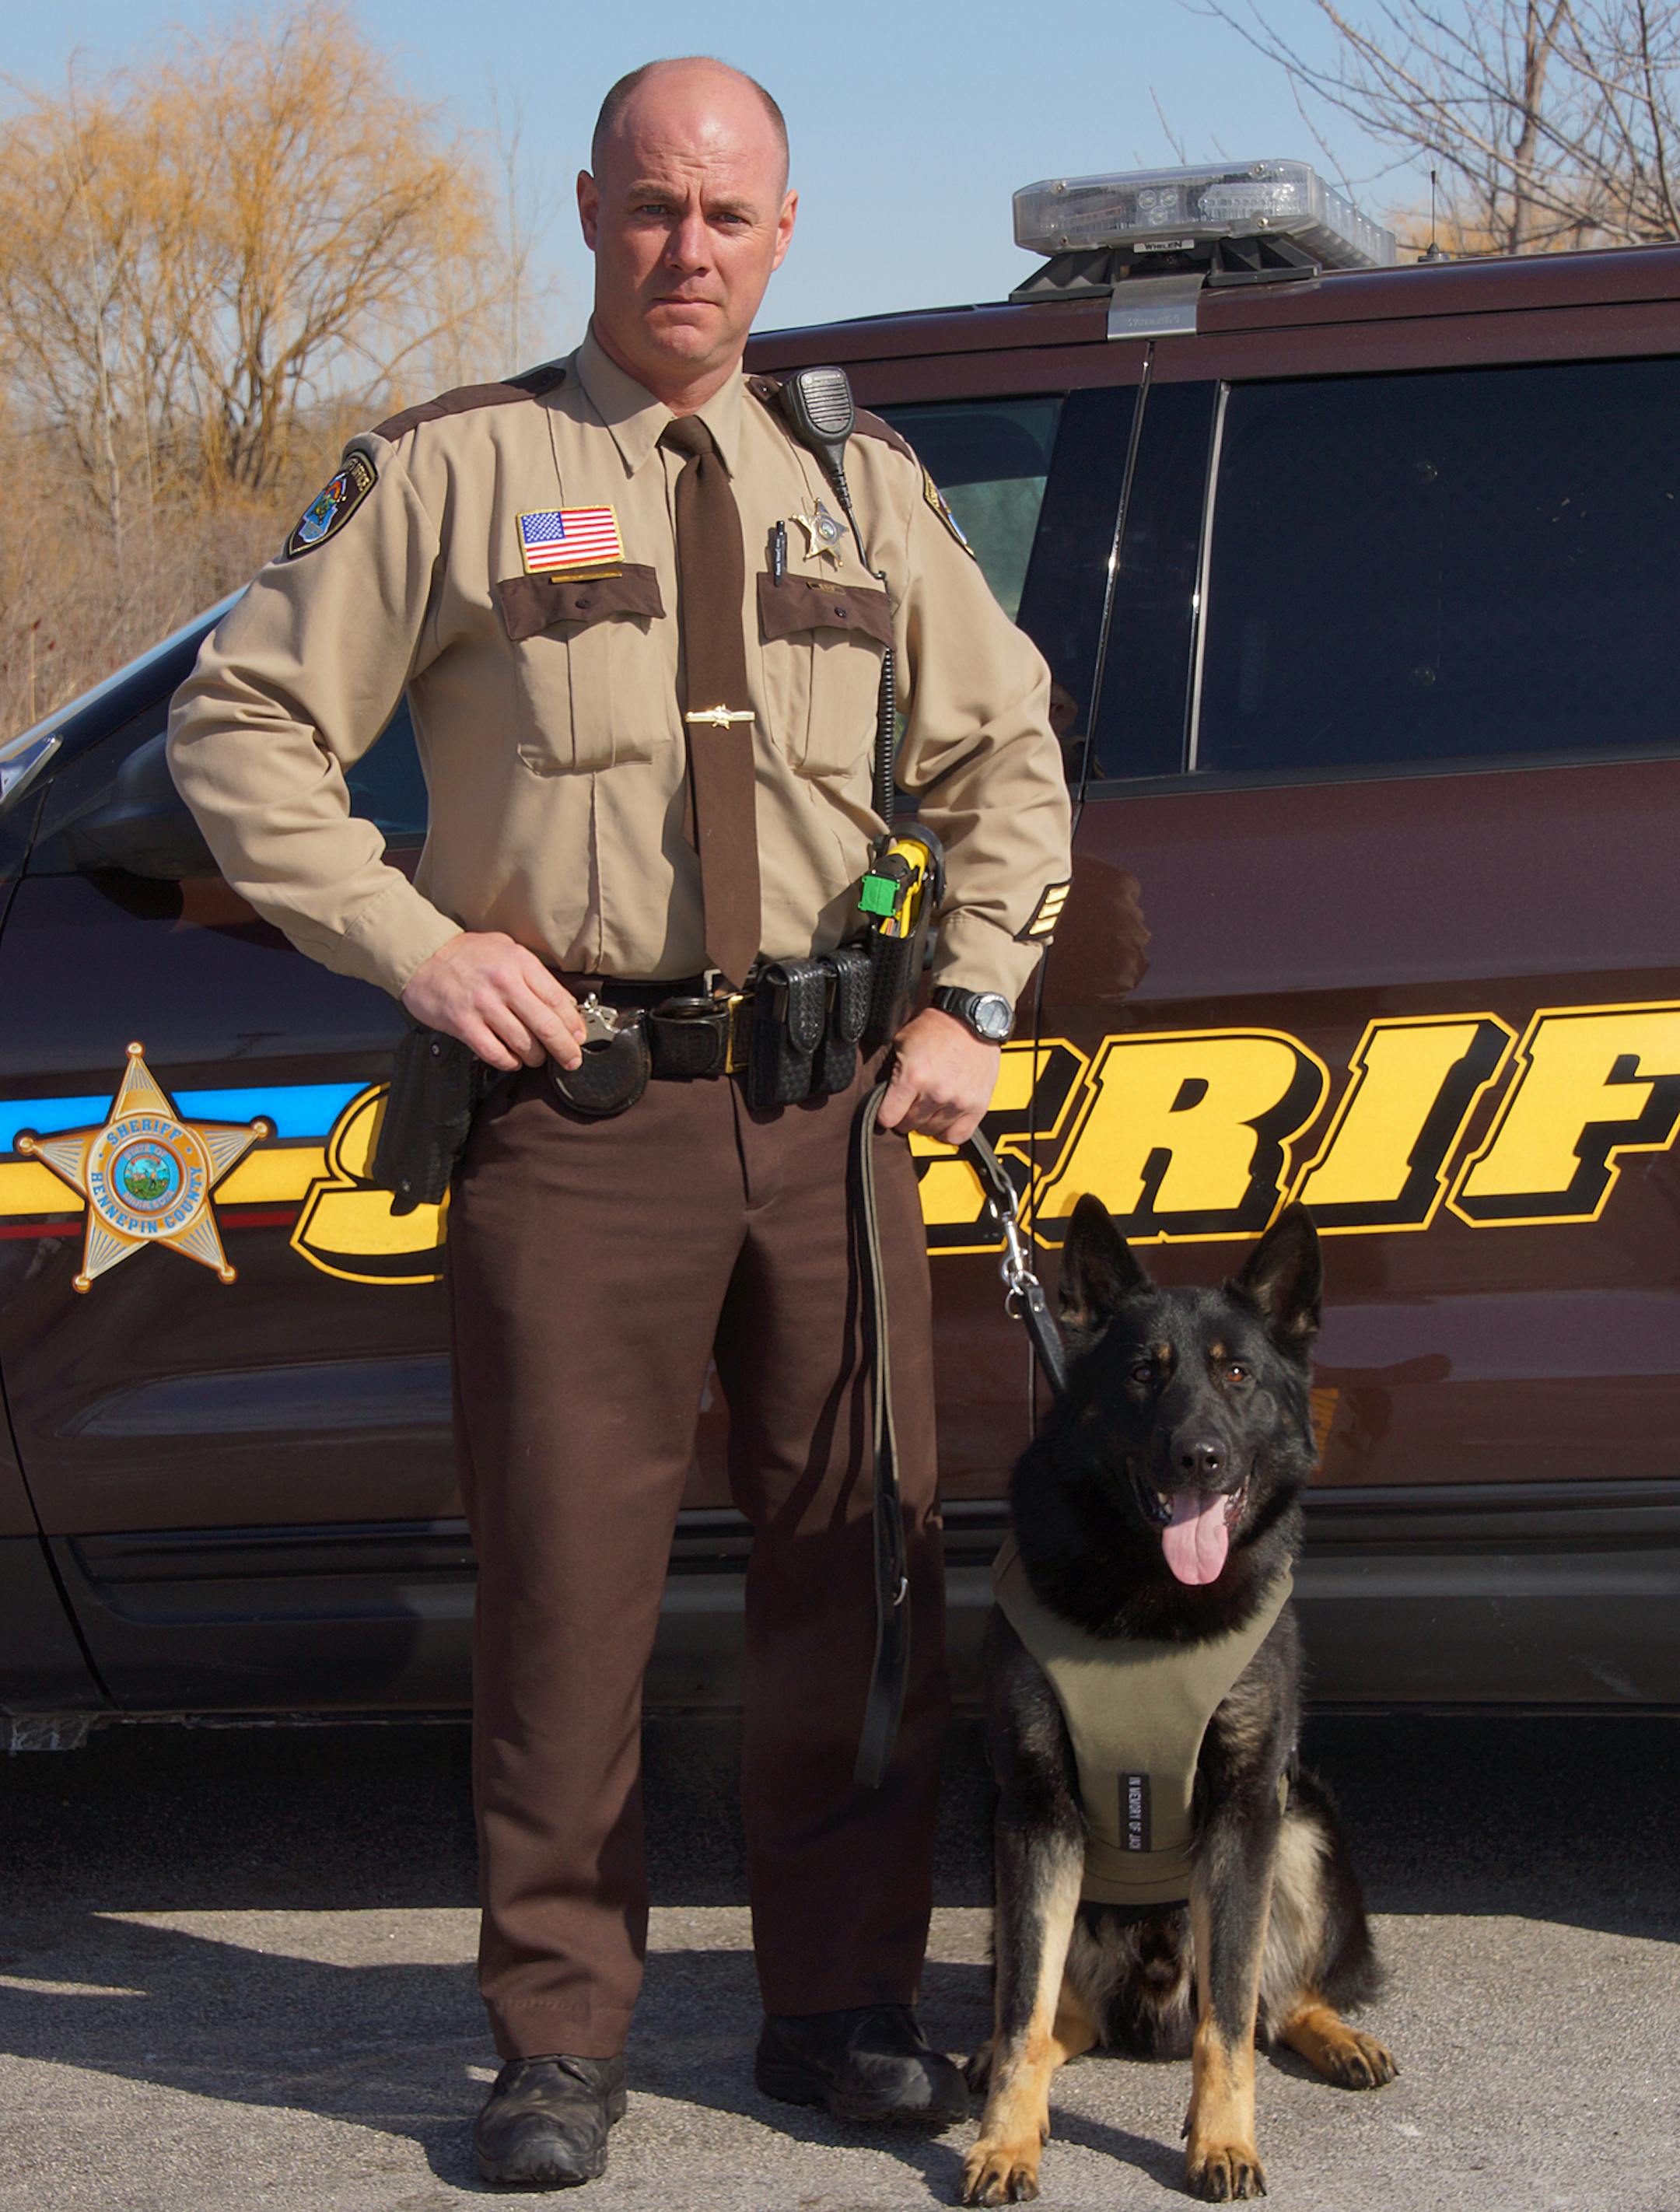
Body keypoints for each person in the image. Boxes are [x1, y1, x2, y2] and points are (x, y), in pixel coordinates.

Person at [166, 56, 1072, 2191]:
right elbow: (244, 724)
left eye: (729, 214)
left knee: (858, 1582)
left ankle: (839, 2007)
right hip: (575, 1119)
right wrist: (409, 945)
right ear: (588, 210)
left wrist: (976, 995)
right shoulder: (458, 474)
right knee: (567, 1594)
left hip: (836, 1111)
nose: (689, 248)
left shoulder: (858, 491)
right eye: (654, 206)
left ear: (785, 235)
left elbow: (1005, 750)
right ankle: (556, 2041)